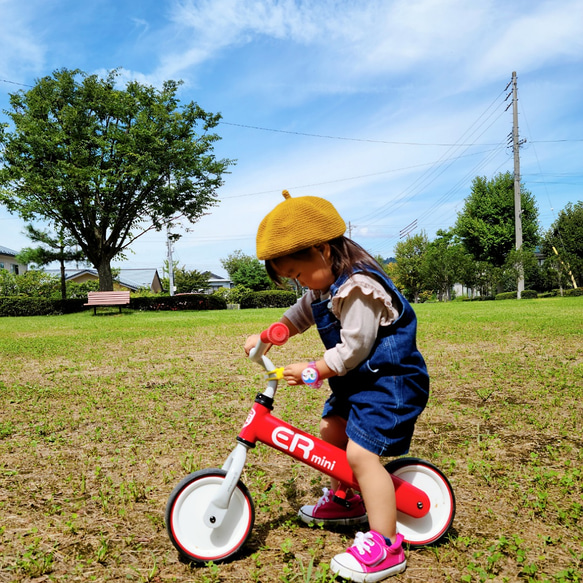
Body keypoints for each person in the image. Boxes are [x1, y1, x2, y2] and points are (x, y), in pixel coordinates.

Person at [245, 190, 429, 582]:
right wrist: (267, 336)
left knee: (362, 457)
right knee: (331, 434)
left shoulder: (359, 287)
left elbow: (354, 349)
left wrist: (311, 370)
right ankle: (346, 501)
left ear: (323, 251)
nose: (298, 284)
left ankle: (386, 545)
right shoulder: (323, 287)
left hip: (389, 384)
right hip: (357, 385)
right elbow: (300, 314)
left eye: (296, 274)